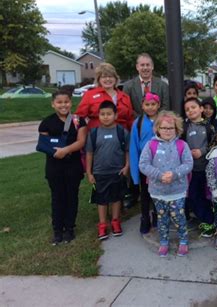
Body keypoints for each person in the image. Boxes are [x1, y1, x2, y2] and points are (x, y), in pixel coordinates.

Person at [139, 111, 193, 257]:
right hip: (158, 191)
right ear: (158, 129)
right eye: (164, 128)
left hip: (177, 190)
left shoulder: (182, 145)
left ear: (177, 129)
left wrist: (174, 174)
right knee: (162, 218)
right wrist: (158, 175)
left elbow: (188, 164)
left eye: (171, 128)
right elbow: (143, 165)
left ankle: (183, 240)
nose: (167, 131)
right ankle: (163, 241)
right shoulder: (151, 145)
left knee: (178, 217)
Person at [38, 88, 87, 245]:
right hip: (54, 166)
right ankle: (57, 230)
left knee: (72, 196)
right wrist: (55, 153)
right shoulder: (46, 123)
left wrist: (65, 150)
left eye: (66, 102)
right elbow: (43, 144)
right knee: (57, 197)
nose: (63, 105)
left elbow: (81, 141)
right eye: (59, 102)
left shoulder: (78, 121)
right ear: (53, 104)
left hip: (73, 165)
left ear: (70, 102)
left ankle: (70, 228)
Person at [85, 101, 130, 240]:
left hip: (117, 171)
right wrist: (89, 172)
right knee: (102, 200)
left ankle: (116, 221)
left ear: (115, 115)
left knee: (116, 198)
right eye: (102, 114)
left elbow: (127, 151)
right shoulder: (93, 133)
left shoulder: (122, 132)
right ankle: (102, 224)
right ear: (98, 115)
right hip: (99, 173)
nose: (106, 117)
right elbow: (89, 153)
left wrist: (127, 166)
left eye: (109, 114)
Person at [182, 97, 216, 238]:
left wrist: (202, 151)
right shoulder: (184, 127)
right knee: (193, 196)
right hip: (191, 170)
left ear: (201, 109)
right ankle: (205, 219)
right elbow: (180, 145)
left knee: (206, 195)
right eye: (187, 109)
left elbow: (214, 144)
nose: (190, 111)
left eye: (193, 107)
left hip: (206, 168)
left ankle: (209, 222)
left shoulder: (209, 126)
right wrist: (188, 152)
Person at [129, 92, 161, 234]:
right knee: (145, 195)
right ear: (142, 106)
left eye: (153, 104)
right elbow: (134, 148)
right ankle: (145, 218)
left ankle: (157, 216)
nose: (150, 107)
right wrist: (135, 173)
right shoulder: (138, 123)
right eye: (147, 105)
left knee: (158, 193)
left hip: (160, 165)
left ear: (158, 105)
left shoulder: (163, 121)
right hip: (145, 166)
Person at [76, 63, 134, 131]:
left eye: (111, 76)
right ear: (99, 79)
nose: (108, 79)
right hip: (97, 136)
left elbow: (130, 120)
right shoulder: (89, 95)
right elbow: (79, 117)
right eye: (104, 77)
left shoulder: (125, 97)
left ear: (115, 78)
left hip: (121, 136)